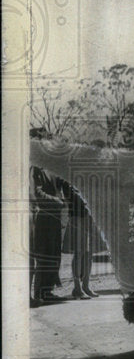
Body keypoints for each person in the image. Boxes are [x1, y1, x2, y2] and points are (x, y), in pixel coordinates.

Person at [29, 128, 66, 306]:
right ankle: (39, 292)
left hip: (55, 218)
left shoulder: (52, 167)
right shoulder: (36, 167)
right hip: (43, 217)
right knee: (43, 255)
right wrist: (56, 202)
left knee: (54, 253)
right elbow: (37, 192)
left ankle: (48, 290)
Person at [62, 180, 98, 299]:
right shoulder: (65, 176)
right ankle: (77, 287)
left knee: (89, 253)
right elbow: (70, 194)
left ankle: (86, 286)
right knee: (79, 252)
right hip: (76, 216)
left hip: (88, 215)